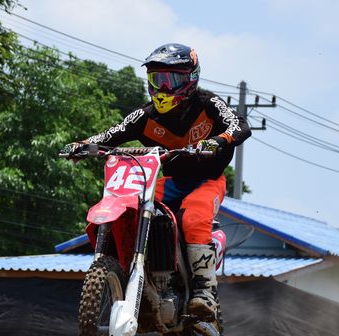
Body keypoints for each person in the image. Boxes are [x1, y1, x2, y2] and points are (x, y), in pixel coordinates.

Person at [63, 43, 251, 320]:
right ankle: (140, 273)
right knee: (136, 206)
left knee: (193, 217)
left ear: (191, 79)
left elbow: (239, 125)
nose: (163, 87)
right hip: (171, 181)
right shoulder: (145, 115)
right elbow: (112, 134)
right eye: (157, 79)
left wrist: (219, 140)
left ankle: (204, 291)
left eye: (171, 79)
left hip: (208, 180)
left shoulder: (208, 104)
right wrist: (84, 145)